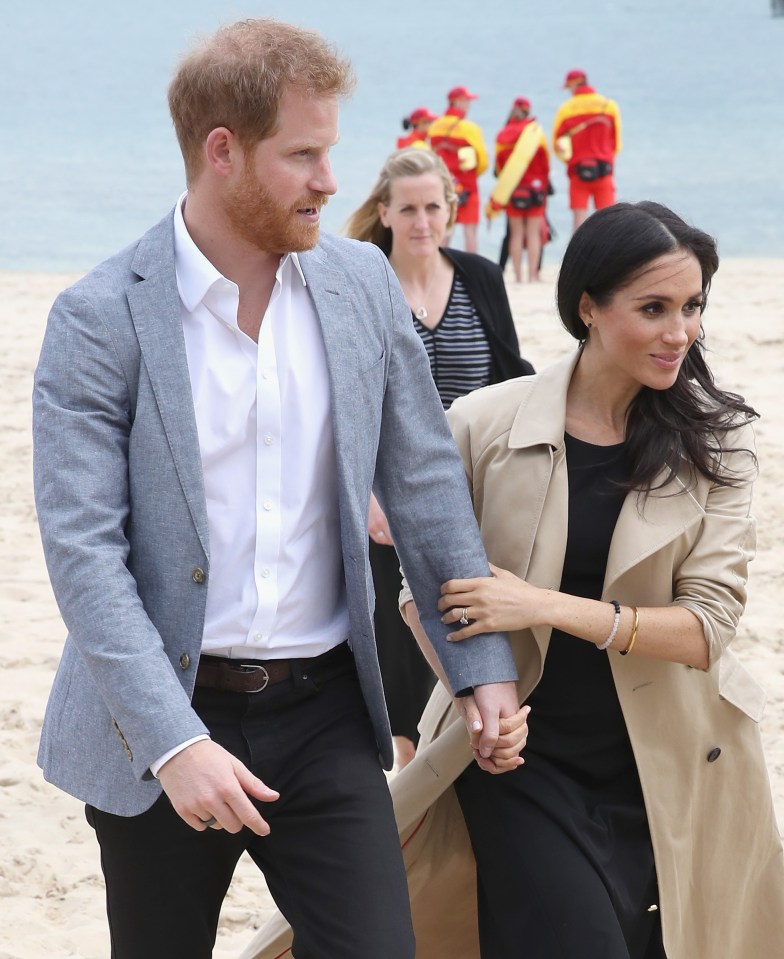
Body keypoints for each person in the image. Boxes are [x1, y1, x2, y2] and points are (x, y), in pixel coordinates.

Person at [32, 19, 530, 959]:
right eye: (305, 154)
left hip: (328, 714)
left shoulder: (360, 282)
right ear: (223, 151)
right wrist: (174, 742)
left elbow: (422, 478)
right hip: (160, 725)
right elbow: (83, 553)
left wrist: (482, 663)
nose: (332, 181)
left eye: (330, 151)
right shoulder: (99, 318)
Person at [385, 201, 784, 958]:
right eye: (654, 308)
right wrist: (475, 696)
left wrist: (542, 605)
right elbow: (422, 591)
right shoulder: (481, 423)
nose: (681, 332)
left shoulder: (719, 441)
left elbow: (707, 628)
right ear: (588, 308)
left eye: (693, 306)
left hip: (671, 762)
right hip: (519, 757)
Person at [345, 147, 535, 768]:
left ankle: (468, 731)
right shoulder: (365, 283)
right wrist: (371, 491)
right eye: (408, 209)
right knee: (395, 608)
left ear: (451, 211)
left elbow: (513, 375)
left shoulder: (479, 276)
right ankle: (402, 749)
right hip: (385, 482)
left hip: (474, 475)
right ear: (385, 213)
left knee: (471, 605)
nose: (422, 221)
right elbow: (348, 396)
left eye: (433, 207)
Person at [486, 96, 550, 282]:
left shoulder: (502, 135)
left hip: (512, 189)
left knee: (516, 233)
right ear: (528, 112)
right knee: (533, 233)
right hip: (535, 188)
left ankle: (518, 276)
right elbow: (545, 163)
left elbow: (498, 167)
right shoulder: (535, 132)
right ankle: (532, 275)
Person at [553, 69, 622, 233]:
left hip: (578, 170)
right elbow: (616, 143)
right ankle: (608, 255)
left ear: (574, 84)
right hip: (603, 169)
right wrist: (606, 156)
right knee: (608, 218)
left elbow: (557, 145)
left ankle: (578, 255)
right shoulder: (608, 105)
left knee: (579, 219)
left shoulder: (566, 109)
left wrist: (569, 160)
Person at [428, 85, 489, 253]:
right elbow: (482, 161)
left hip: (443, 184)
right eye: (466, 101)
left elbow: (429, 156)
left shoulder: (434, 126)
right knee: (470, 233)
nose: (469, 104)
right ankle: (471, 272)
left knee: (444, 230)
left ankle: (438, 267)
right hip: (468, 185)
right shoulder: (470, 128)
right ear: (456, 102)